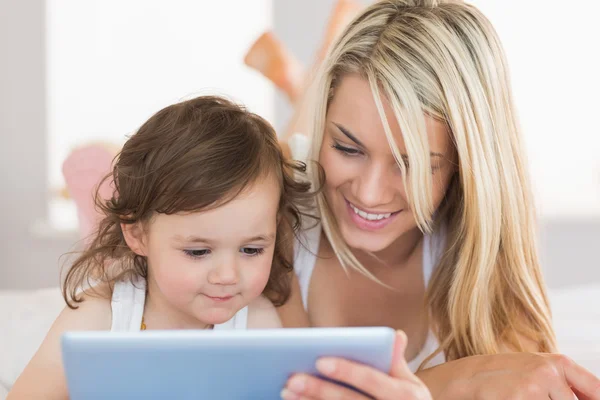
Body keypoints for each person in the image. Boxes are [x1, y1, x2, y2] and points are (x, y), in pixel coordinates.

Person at [275, 0, 600, 399]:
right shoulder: (270, 210)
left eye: (410, 165)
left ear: (463, 164)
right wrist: (452, 383)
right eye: (347, 148)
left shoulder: (483, 274)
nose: (369, 192)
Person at [8, 95, 316, 399]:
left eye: (251, 250)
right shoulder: (98, 320)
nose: (228, 275)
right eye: (198, 252)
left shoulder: (257, 325)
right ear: (138, 234)